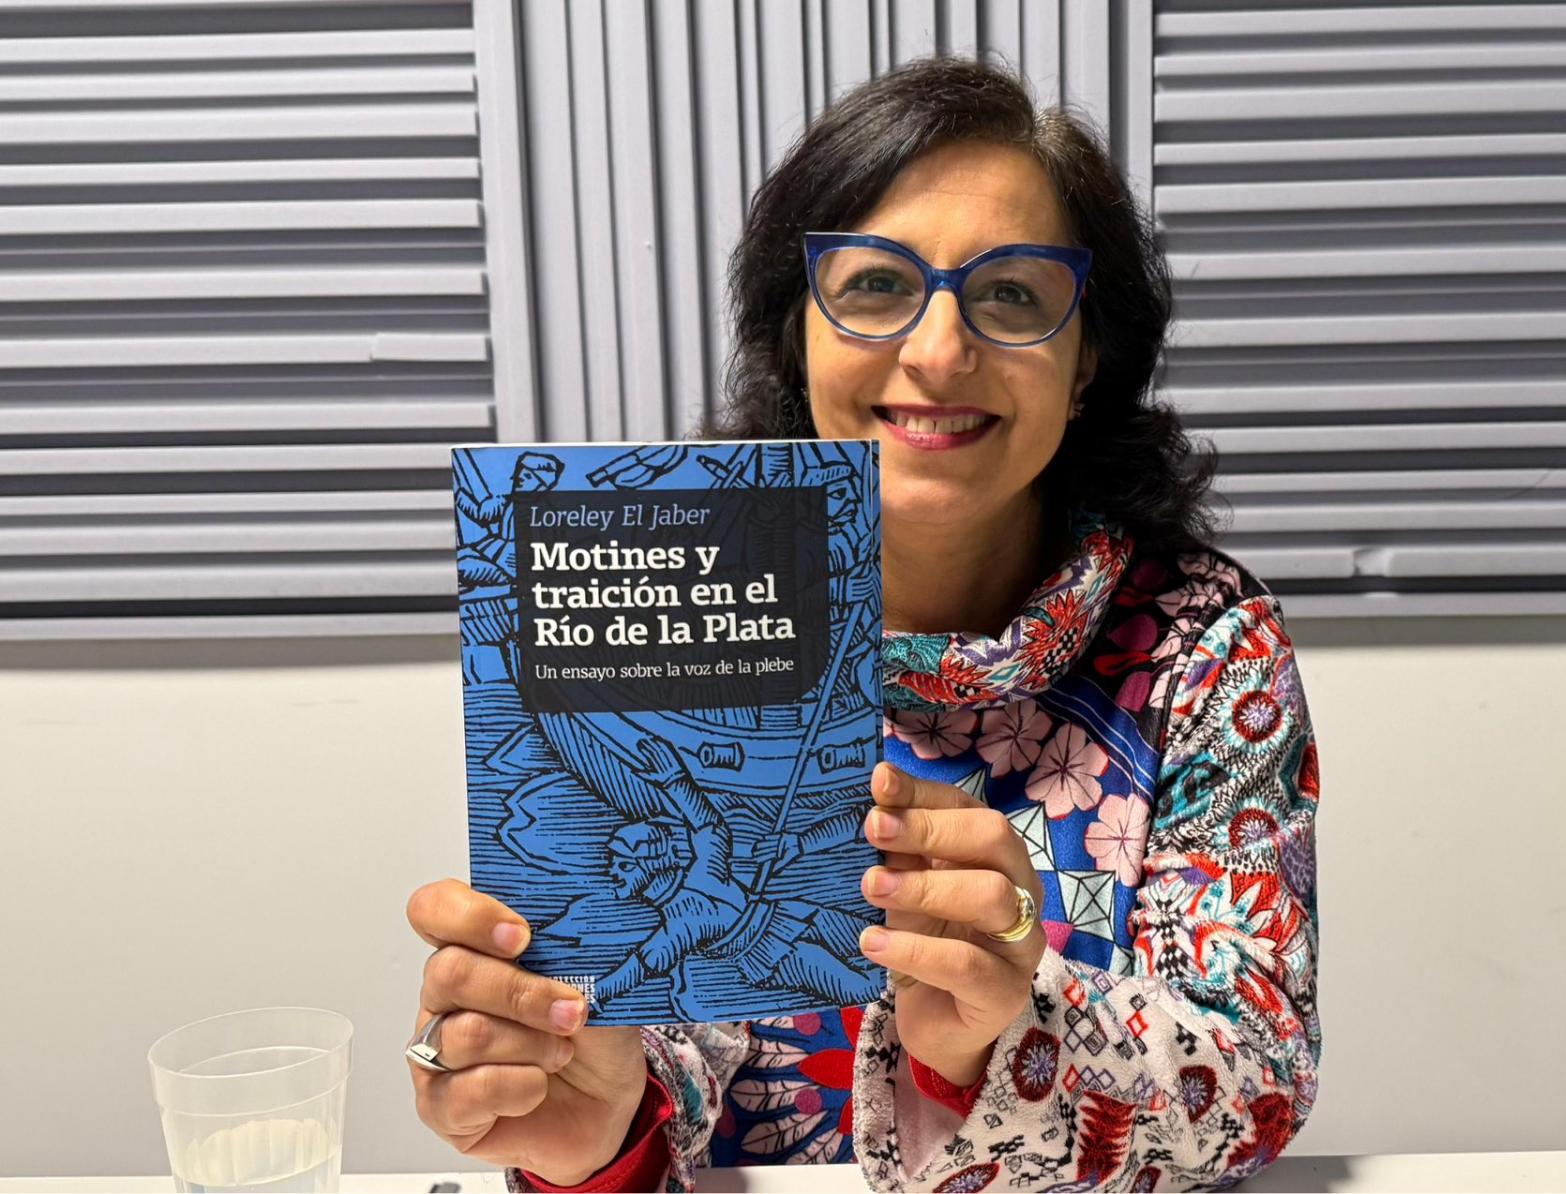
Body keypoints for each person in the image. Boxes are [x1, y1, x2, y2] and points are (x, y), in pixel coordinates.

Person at [405, 55, 1321, 1192]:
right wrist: (597, 1130)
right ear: (796, 336)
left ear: (1088, 358)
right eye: (878, 285)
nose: (938, 352)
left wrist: (1008, 1034)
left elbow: (1258, 1073)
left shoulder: (1203, 645)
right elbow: (654, 997)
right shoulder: (669, 600)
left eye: (1013, 293)